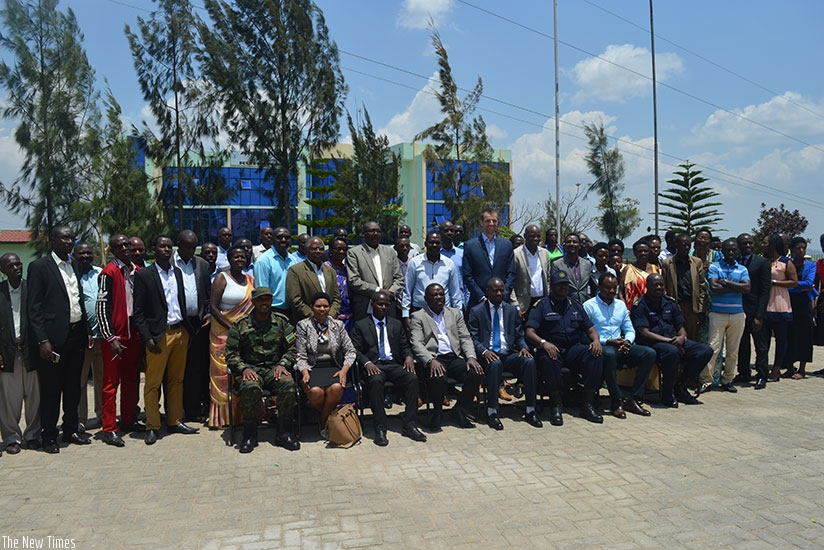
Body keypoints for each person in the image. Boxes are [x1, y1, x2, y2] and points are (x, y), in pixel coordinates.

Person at [27, 225, 91, 453]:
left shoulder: (76, 265)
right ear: (53, 240)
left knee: (73, 387)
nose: (69, 242)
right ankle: (49, 436)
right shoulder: (39, 267)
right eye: (64, 238)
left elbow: (78, 301)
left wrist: (86, 331)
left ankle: (71, 429)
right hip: (53, 340)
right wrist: (42, 340)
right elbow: (34, 308)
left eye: (72, 238)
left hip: (76, 335)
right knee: (51, 390)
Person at [133, 235, 199, 445]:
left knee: (176, 380)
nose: (166, 249)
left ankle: (174, 420)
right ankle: (152, 425)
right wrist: (147, 338)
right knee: (153, 383)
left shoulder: (176, 273)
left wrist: (187, 332)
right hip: (159, 336)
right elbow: (138, 312)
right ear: (153, 249)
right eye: (162, 246)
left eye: (169, 246)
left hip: (180, 332)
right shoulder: (144, 275)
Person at [225, 286, 300, 453]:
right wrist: (243, 369)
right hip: (250, 370)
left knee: (288, 385)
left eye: (267, 299)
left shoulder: (282, 322)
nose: (264, 303)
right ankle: (249, 435)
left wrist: (283, 364)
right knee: (250, 387)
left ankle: (284, 433)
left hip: (274, 369)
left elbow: (293, 347)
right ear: (253, 302)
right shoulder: (241, 324)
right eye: (260, 300)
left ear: (271, 301)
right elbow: (230, 353)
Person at [524, 271, 604, 426]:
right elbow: (529, 332)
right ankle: (556, 406)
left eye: (565, 284)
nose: (563, 287)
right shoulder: (542, 305)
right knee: (550, 358)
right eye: (559, 284)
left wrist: (596, 341)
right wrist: (543, 343)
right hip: (551, 348)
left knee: (595, 354)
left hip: (573, 349)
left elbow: (591, 329)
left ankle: (587, 404)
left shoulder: (575, 305)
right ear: (552, 286)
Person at [351, 291, 427, 446]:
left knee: (412, 378)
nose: (383, 307)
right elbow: (354, 350)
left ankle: (410, 424)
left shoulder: (396, 324)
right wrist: (366, 363)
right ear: (372, 304)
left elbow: (405, 346)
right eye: (380, 304)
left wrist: (408, 356)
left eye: (386, 304)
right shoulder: (361, 325)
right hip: (374, 365)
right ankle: (380, 428)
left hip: (393, 364)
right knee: (376, 381)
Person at [469, 278, 541, 430]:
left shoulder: (511, 310)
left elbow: (519, 335)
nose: (499, 293)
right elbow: (473, 338)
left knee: (529, 361)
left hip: (507, 354)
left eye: (501, 290)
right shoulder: (477, 311)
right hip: (488, 356)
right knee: (495, 364)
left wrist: (523, 347)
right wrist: (484, 351)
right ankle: (492, 412)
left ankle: (530, 409)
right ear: (487, 292)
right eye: (495, 291)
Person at [410, 283, 483, 432]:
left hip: (454, 357)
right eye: (434, 295)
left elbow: (465, 337)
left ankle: (460, 410)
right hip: (434, 357)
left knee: (475, 373)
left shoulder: (454, 313)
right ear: (426, 298)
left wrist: (470, 357)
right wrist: (430, 360)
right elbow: (416, 343)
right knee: (437, 376)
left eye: (441, 294)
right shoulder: (418, 316)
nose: (438, 297)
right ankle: (437, 412)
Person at [630, 274, 710, 407]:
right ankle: (667, 393)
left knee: (705, 351)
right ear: (647, 286)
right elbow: (644, 332)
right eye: (655, 285)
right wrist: (670, 341)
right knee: (672, 352)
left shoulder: (670, 302)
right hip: (653, 344)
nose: (659, 287)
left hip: (674, 340)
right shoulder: (640, 305)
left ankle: (681, 386)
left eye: (661, 285)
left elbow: (680, 326)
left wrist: (682, 337)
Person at [583, 272, 655, 419]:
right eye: (607, 288)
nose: (611, 291)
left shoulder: (620, 305)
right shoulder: (589, 306)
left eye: (614, 288)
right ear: (599, 287)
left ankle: (633, 399)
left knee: (649, 353)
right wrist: (608, 342)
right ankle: (616, 400)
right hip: (602, 346)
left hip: (620, 346)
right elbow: (585, 335)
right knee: (609, 354)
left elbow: (629, 329)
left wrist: (627, 341)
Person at [96, 235, 145, 447]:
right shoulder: (108, 273)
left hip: (133, 332)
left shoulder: (137, 271)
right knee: (110, 383)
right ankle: (109, 428)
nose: (125, 248)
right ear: (113, 250)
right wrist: (110, 337)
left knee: (131, 378)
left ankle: (128, 419)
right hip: (115, 336)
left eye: (127, 245)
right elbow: (101, 307)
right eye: (120, 246)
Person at [295, 292, 356, 439]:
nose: (322, 309)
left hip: (333, 366)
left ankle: (323, 421)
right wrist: (304, 372)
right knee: (315, 392)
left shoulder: (337, 325)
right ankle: (329, 417)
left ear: (329, 307)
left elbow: (351, 351)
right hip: (312, 367)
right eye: (318, 306)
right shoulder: (303, 325)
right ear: (312, 307)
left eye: (325, 306)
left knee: (336, 388)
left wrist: (344, 371)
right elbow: (300, 355)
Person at [208, 246, 254, 428]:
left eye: (243, 257)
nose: (240, 260)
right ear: (229, 259)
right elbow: (213, 307)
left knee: (241, 373)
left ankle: (243, 415)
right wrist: (231, 327)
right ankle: (223, 418)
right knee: (222, 376)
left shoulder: (250, 279)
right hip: (222, 334)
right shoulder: (222, 278)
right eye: (236, 257)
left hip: (244, 334)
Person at [0, 253, 40, 454]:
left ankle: (32, 435)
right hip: (7, 352)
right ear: (2, 270)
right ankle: (11, 438)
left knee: (34, 396)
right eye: (11, 266)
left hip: (30, 351)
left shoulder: (31, 288)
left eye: (18, 264)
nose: (16, 268)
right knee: (9, 399)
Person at [175, 230, 213, 424]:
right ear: (179, 244)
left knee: (197, 369)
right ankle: (174, 411)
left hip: (199, 323)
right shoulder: (169, 263)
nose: (190, 251)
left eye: (193, 247)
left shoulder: (202, 265)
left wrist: (208, 313)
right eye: (187, 247)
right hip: (176, 323)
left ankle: (193, 409)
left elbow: (208, 294)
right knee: (176, 370)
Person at [705, 238, 751, 395]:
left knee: (733, 350)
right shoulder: (715, 267)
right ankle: (706, 380)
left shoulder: (742, 269)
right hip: (718, 313)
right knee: (713, 348)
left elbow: (747, 288)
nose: (731, 252)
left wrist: (725, 282)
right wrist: (737, 287)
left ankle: (727, 380)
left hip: (737, 314)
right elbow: (714, 287)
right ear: (722, 251)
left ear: (737, 251)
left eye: (733, 249)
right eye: (728, 249)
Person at [735, 233, 772, 389]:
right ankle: (743, 372)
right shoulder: (734, 261)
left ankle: (762, 375)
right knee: (742, 344)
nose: (748, 246)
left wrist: (760, 315)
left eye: (750, 243)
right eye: (744, 243)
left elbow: (765, 290)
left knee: (761, 345)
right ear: (739, 245)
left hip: (756, 311)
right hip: (738, 310)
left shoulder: (762, 263)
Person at [347, 221, 404, 321]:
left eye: (378, 231)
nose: (376, 234)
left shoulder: (390, 252)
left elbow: (399, 278)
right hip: (365, 306)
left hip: (388, 305)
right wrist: (378, 291)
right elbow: (354, 281)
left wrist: (390, 292)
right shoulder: (354, 253)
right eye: (372, 231)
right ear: (363, 234)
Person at [402, 230, 462, 324]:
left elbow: (455, 293)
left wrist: (459, 315)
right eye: (431, 242)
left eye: (437, 243)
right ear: (425, 244)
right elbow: (407, 290)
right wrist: (405, 315)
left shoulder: (449, 264)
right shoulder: (415, 263)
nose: (434, 245)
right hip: (419, 311)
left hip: (444, 312)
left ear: (441, 245)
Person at [74, 241, 103, 431]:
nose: (85, 256)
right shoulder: (71, 276)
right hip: (81, 338)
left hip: (102, 337)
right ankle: (80, 419)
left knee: (102, 379)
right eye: (81, 253)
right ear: (74, 255)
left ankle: (103, 415)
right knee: (80, 381)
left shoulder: (100, 273)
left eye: (88, 253)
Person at [463, 208, 515, 309]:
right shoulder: (470, 246)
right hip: (478, 303)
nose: (491, 223)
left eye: (494, 221)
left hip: (502, 302)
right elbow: (467, 275)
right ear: (481, 223)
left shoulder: (507, 245)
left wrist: (503, 295)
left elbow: (511, 273)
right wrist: (481, 297)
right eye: (488, 221)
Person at [762, 234, 798, 382]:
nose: (763, 245)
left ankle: (776, 369)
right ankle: (762, 368)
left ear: (773, 245)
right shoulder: (764, 261)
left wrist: (775, 282)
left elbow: (794, 282)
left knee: (781, 339)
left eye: (765, 243)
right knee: (763, 340)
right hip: (765, 304)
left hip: (779, 303)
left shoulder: (785, 262)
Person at [660, 233, 706, 342]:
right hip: (676, 305)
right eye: (683, 244)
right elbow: (664, 286)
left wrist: (701, 310)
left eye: (688, 245)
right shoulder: (667, 263)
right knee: (675, 336)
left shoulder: (697, 262)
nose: (686, 247)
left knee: (692, 337)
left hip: (692, 306)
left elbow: (701, 287)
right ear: (676, 245)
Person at [286, 237, 341, 325]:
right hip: (306, 323)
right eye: (314, 249)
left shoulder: (331, 271)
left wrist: (329, 315)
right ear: (306, 250)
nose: (318, 251)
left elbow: (336, 298)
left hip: (329, 322)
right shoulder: (295, 271)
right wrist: (316, 317)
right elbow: (295, 300)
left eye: (321, 249)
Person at [784, 236, 817, 379]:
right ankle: (789, 367)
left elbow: (809, 283)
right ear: (792, 249)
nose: (801, 250)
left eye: (803, 248)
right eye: (798, 248)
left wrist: (791, 285)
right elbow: (784, 284)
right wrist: (795, 287)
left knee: (805, 335)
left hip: (804, 304)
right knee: (789, 334)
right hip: (789, 302)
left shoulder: (811, 265)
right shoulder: (787, 264)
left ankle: (802, 368)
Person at [253, 226, 297, 316]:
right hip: (272, 311)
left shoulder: (293, 260)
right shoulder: (263, 261)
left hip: (292, 310)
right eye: (279, 237)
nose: (283, 240)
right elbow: (262, 291)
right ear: (272, 240)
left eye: (287, 237)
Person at [512, 224, 551, 320]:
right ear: (525, 236)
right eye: (532, 236)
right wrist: (516, 306)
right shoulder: (516, 254)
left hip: (543, 301)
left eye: (538, 236)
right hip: (524, 304)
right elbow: (511, 282)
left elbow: (548, 278)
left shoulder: (545, 253)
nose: (535, 238)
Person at [550, 233, 596, 304]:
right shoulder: (556, 264)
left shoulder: (587, 264)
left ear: (579, 245)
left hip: (584, 305)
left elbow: (594, 286)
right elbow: (554, 287)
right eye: (569, 242)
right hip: (565, 305)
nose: (572, 244)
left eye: (575, 242)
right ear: (564, 245)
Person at [620, 237, 659, 310]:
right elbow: (621, 292)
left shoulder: (655, 269)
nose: (643, 253)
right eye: (640, 251)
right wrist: (624, 308)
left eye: (645, 251)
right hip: (633, 310)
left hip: (653, 309)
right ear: (635, 253)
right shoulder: (628, 269)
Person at [324, 237, 352, 331]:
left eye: (344, 249)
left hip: (349, 317)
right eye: (338, 249)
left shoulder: (348, 269)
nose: (341, 252)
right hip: (332, 315)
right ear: (331, 250)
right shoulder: (325, 268)